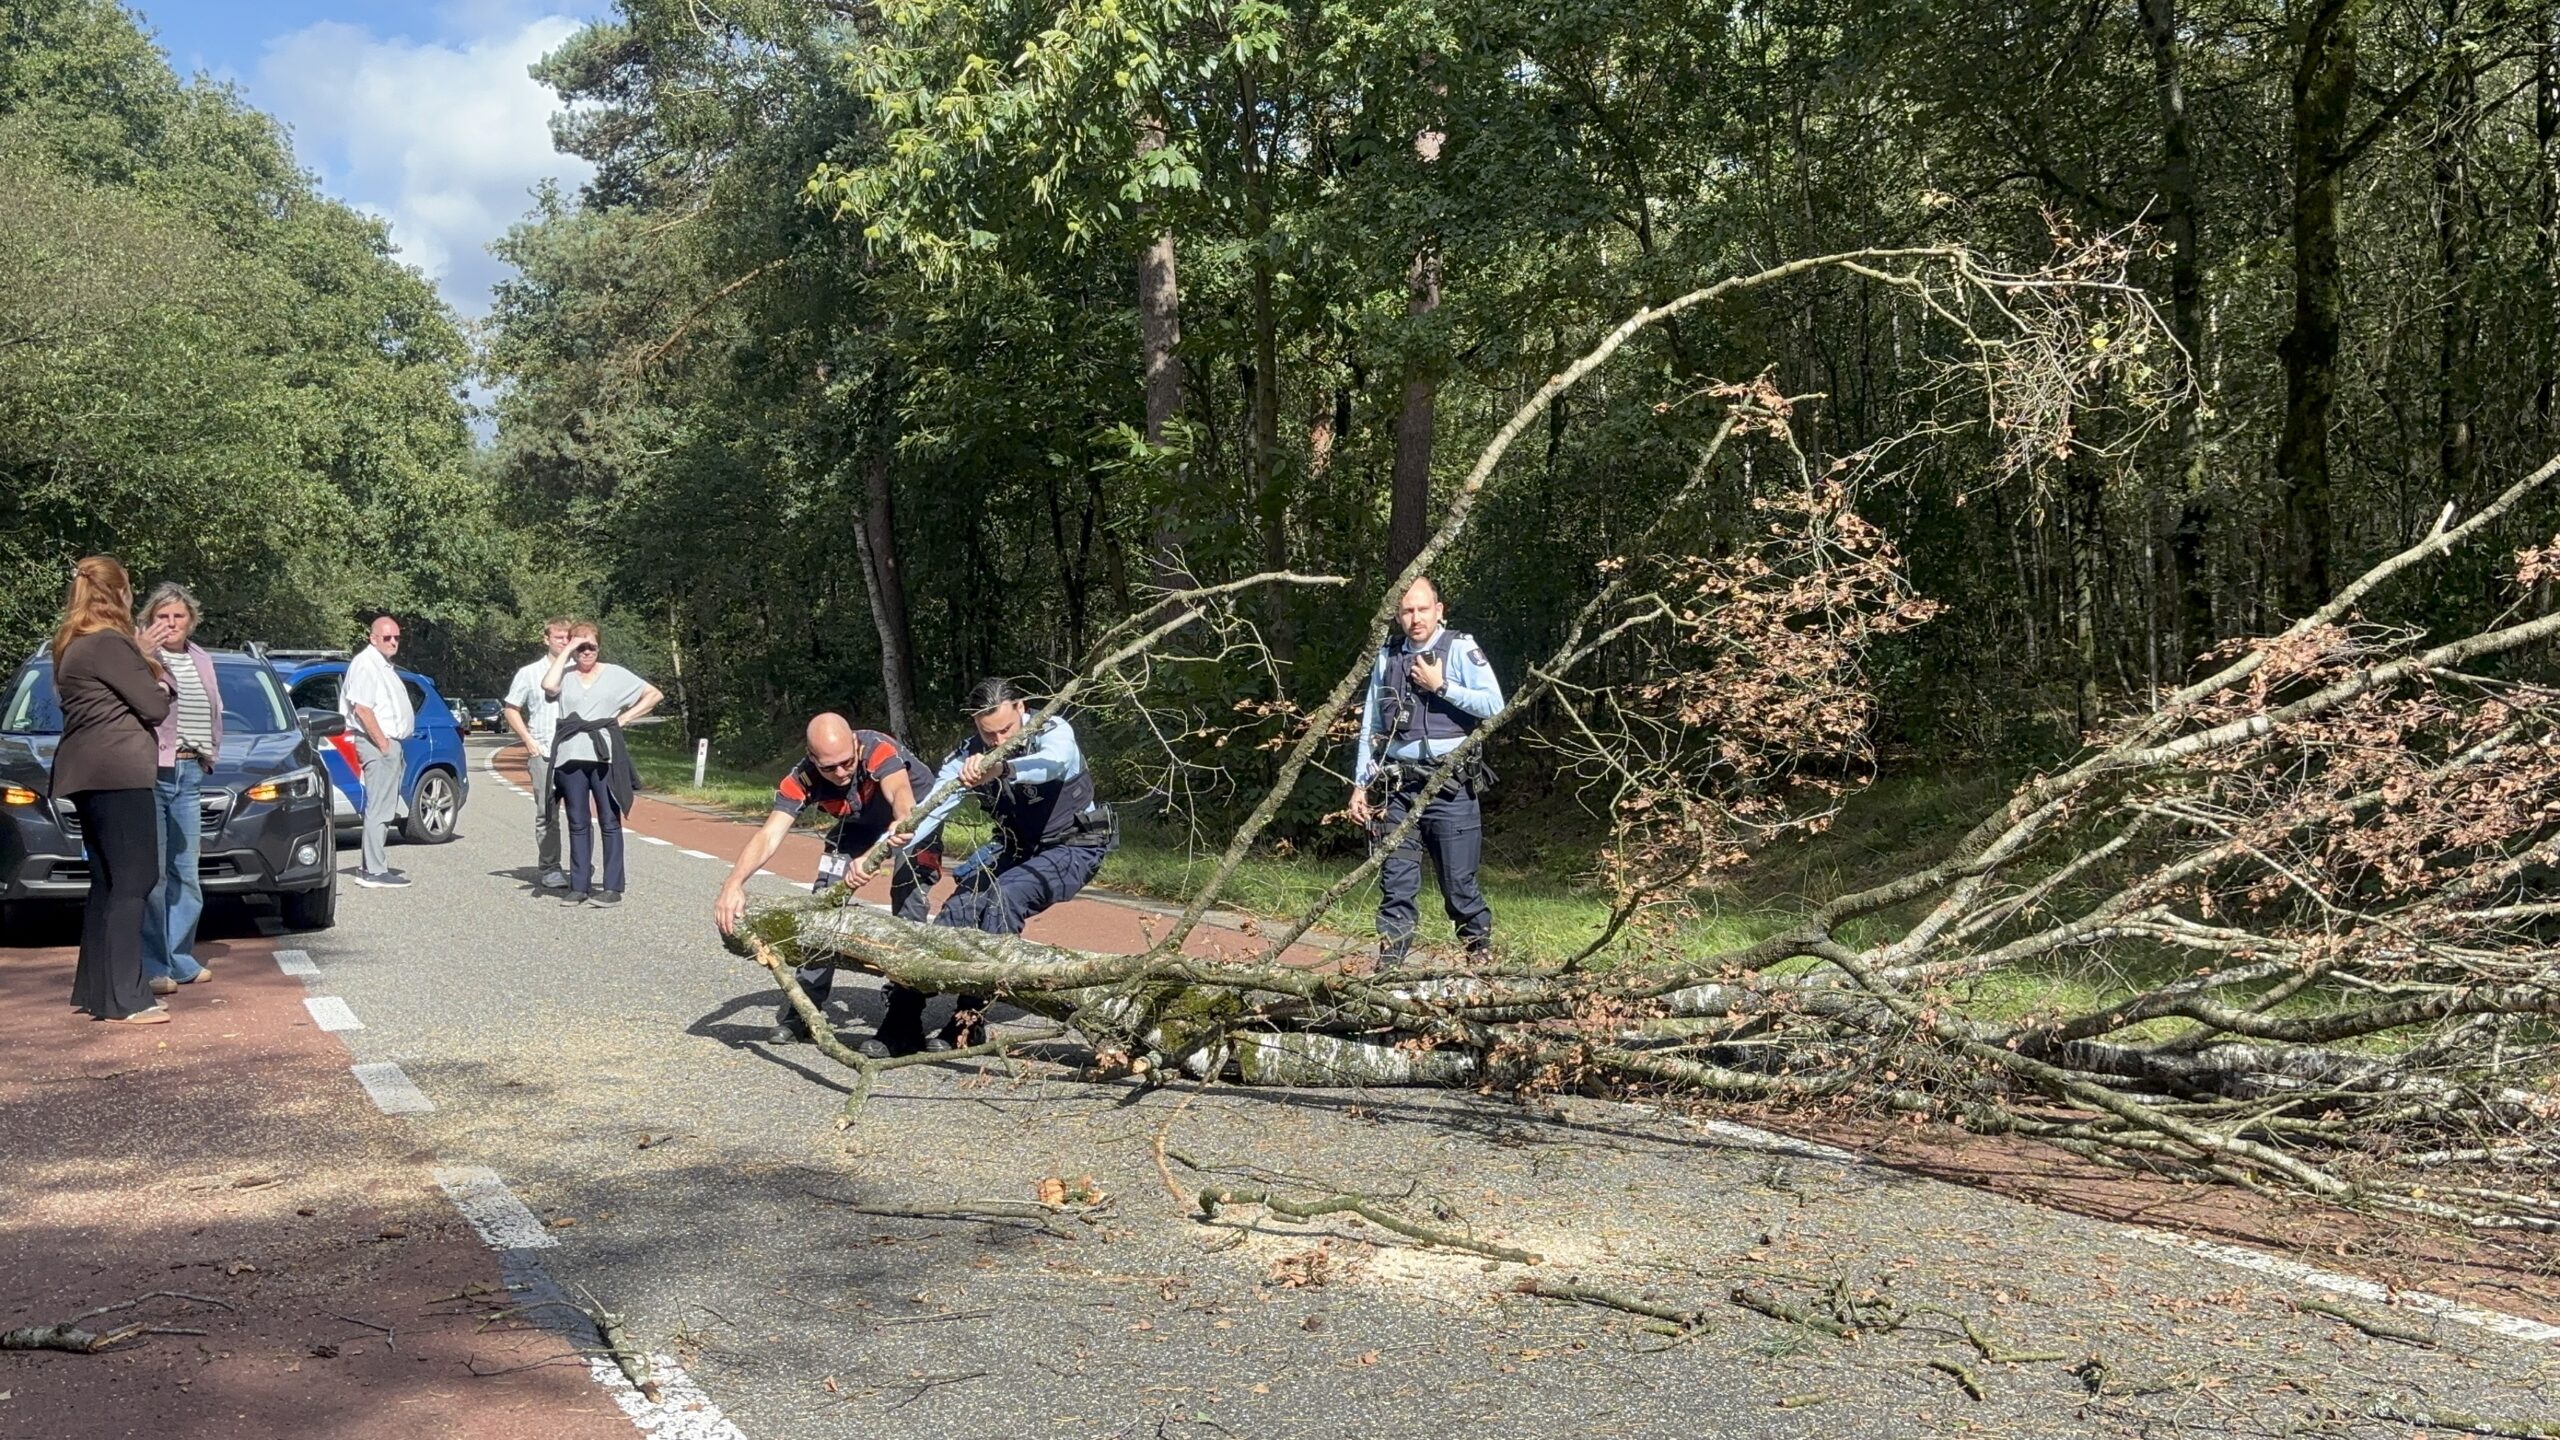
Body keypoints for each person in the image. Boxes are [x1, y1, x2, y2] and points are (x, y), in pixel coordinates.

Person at [871, 677, 1116, 1050]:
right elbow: (929, 812)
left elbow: (1053, 764)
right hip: (1014, 848)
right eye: (990, 734)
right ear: (975, 724)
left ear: (1021, 708)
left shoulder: (1053, 730)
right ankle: (901, 1021)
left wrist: (1001, 768)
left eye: (1006, 730)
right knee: (958, 910)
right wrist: (876, 853)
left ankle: (968, 1021)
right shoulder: (966, 757)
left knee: (1005, 897)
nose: (1000, 741)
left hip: (1073, 846)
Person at [713, 714, 945, 1053]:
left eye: (847, 763)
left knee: (908, 900)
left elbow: (903, 803)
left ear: (855, 744)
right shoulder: (801, 777)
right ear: (812, 757)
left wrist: (873, 855)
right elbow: (769, 835)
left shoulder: (879, 749)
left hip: (912, 823)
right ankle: (805, 1009)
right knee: (822, 905)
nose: (840, 773)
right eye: (829, 768)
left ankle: (904, 1022)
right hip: (859, 823)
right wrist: (733, 884)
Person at [1347, 577, 1503, 969]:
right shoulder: (1388, 656)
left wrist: (1442, 686)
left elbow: (1494, 705)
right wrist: (1360, 785)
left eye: (1422, 609)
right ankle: (1390, 966)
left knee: (1458, 885)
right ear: (1398, 616)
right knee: (1396, 884)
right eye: (1407, 611)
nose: (1415, 618)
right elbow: (1371, 725)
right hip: (1398, 789)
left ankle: (1480, 957)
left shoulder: (1460, 648)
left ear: (1439, 610)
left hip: (1451, 787)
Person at [52, 557, 176, 1024]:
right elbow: (153, 705)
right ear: (118, 593)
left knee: (107, 881)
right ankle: (128, 998)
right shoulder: (108, 642)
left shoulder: (75, 642)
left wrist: (137, 652)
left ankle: (100, 992)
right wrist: (156, 672)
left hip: (88, 771)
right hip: (118, 771)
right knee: (135, 879)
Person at [542, 622, 662, 907]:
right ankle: (579, 886)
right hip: (570, 756)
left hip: (604, 755)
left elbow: (654, 694)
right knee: (577, 822)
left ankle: (612, 887)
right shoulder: (564, 674)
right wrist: (567, 650)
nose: (586, 652)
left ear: (599, 647)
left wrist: (624, 718)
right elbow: (548, 686)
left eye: (591, 646)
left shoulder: (615, 674)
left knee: (609, 820)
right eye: (580, 646)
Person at [139, 582, 221, 994]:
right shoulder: (140, 655)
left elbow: (214, 709)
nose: (171, 623)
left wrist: (209, 755)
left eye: (179, 616)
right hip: (152, 771)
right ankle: (154, 965)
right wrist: (141, 651)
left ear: (191, 621)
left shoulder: (201, 658)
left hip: (190, 772)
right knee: (153, 875)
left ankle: (180, 958)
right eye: (163, 616)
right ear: (149, 619)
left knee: (186, 872)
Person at [340, 615, 414, 889]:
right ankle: (374, 870)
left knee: (384, 806)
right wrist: (383, 744)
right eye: (387, 637)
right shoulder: (366, 664)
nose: (393, 642)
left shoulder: (381, 665)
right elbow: (362, 708)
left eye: (396, 637)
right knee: (380, 808)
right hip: (376, 743)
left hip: (386, 743)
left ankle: (370, 866)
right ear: (373, 638)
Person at [502, 618, 573, 889]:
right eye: (559, 637)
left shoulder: (578, 670)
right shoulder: (529, 673)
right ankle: (550, 867)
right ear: (546, 639)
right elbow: (511, 708)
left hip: (575, 753)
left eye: (568, 638)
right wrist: (528, 741)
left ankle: (579, 867)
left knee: (579, 814)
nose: (564, 642)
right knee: (547, 813)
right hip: (543, 751)